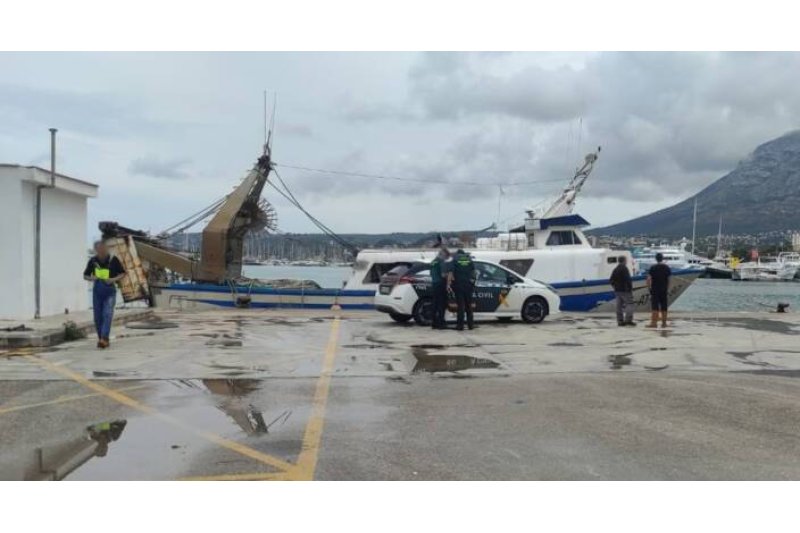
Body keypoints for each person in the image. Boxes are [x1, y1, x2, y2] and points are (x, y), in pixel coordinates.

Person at [83, 241, 126, 348]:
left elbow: (123, 273)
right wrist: (93, 278)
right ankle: (101, 338)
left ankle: (104, 338)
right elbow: (85, 276)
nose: (101, 251)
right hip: (97, 291)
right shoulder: (93, 261)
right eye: (98, 249)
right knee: (97, 317)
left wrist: (112, 279)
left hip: (110, 290)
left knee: (107, 314)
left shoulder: (113, 260)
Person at [450, 248, 476, 330]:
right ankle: (470, 325)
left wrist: (451, 284)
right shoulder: (469, 259)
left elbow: (451, 273)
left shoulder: (455, 259)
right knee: (469, 305)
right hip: (468, 285)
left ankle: (460, 325)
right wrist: (472, 283)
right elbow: (474, 272)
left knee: (461, 306)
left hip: (459, 285)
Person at [646, 252, 672, 328]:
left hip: (655, 289)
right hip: (664, 289)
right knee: (664, 307)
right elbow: (669, 279)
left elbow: (648, 279)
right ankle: (664, 323)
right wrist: (668, 288)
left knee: (655, 307)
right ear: (662, 258)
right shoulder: (667, 268)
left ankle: (654, 323)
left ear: (656, 259)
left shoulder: (652, 268)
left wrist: (649, 288)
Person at [609, 255, 635, 326]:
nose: (626, 262)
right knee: (629, 304)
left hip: (617, 291)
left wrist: (615, 287)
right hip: (625, 290)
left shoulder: (615, 269)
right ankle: (628, 320)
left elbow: (611, 280)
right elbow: (628, 280)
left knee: (619, 306)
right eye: (626, 260)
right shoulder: (624, 268)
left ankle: (620, 321)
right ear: (624, 261)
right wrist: (630, 288)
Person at [430, 247, 451, 329]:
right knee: (441, 304)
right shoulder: (441, 261)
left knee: (435, 304)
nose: (446, 258)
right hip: (441, 284)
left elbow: (431, 273)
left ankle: (434, 322)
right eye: (446, 256)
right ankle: (441, 323)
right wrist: (449, 275)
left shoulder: (433, 261)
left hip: (434, 284)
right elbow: (443, 274)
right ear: (443, 254)